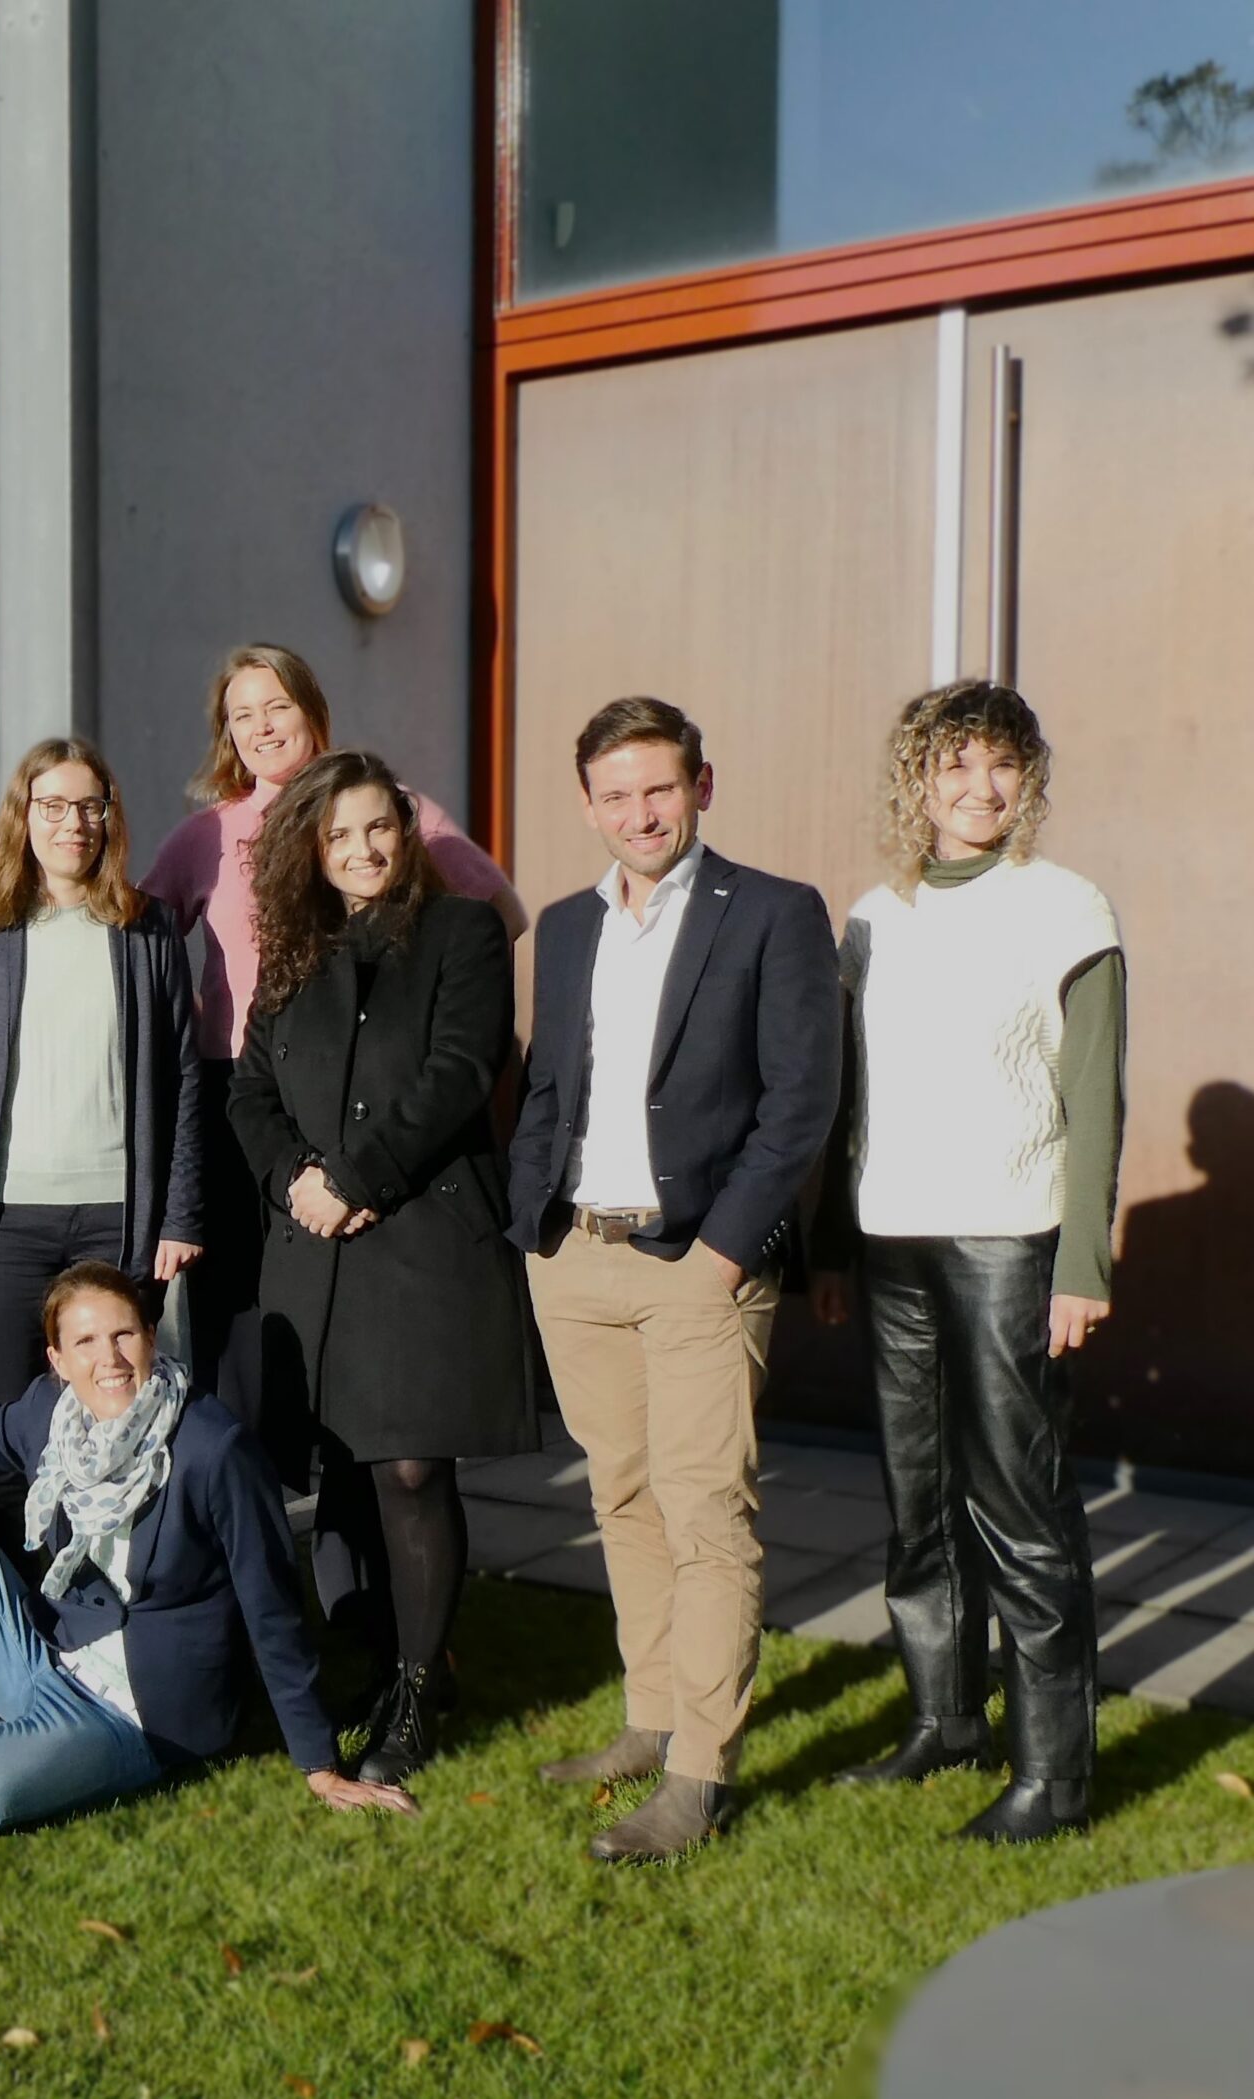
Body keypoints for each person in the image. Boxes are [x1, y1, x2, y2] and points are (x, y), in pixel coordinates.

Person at [0, 1262, 420, 1833]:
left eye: (125, 1333)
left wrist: (320, 1765)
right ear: (57, 1359)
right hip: (47, 1655)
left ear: (153, 1336)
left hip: (141, 1713)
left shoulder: (214, 1447)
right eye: (86, 1342)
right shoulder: (47, 1417)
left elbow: (273, 1605)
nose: (110, 1359)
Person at [506, 697, 838, 1863]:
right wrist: (530, 1226)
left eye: (658, 787)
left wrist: (726, 1245)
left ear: (702, 783)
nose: (638, 812)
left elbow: (802, 1098)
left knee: (705, 1513)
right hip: (574, 1254)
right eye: (614, 793)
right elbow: (549, 1084)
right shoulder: (565, 923)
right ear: (588, 802)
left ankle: (699, 1772)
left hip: (698, 1255)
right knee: (620, 1496)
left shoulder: (775, 913)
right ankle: (650, 1715)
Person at [809, 681, 1123, 1843]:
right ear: (915, 780)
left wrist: (1081, 1261)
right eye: (953, 766)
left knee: (1019, 1505)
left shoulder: (1065, 907)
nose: (978, 789)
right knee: (916, 1498)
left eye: (1001, 766)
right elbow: (850, 1100)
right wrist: (833, 1250)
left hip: (1010, 1236)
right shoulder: (871, 916)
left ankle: (1055, 1776)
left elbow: (1094, 1098)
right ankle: (944, 1718)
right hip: (889, 1236)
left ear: (1028, 779)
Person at [228, 751, 540, 1784]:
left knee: (411, 1466)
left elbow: (462, 1068)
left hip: (418, 1233)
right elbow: (250, 1095)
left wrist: (356, 1175)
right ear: (309, 851)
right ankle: (391, 1657)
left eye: (378, 828)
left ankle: (414, 1691)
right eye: (338, 835)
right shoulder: (291, 953)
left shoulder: (460, 932)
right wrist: (294, 1183)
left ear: (405, 833)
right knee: (352, 1464)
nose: (361, 849)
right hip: (313, 1245)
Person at [143, 644, 524, 1455]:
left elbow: (499, 913)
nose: (261, 726)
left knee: (364, 1360)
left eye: (276, 705)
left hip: (369, 1101)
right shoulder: (206, 836)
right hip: (245, 1101)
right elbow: (137, 941)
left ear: (313, 711)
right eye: (241, 714)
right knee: (244, 1334)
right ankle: (252, 1525)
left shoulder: (390, 811)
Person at [0, 738, 202, 1542]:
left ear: (109, 819)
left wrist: (180, 1212)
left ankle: (109, 1610)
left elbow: (183, 1078)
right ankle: (12, 1619)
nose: (73, 823)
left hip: (119, 1216)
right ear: (23, 816)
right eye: (53, 805)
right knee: (7, 1423)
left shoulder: (146, 931)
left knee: (118, 1412)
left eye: (89, 806)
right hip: (8, 1220)